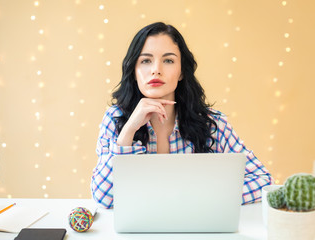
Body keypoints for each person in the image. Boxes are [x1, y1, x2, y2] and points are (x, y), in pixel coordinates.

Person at [91, 22, 273, 209]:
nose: (156, 69)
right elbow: (103, 197)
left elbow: (263, 180)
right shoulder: (115, 119)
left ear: (181, 73)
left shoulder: (213, 123)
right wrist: (129, 130)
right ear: (134, 72)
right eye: (146, 60)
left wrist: (198, 197)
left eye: (168, 60)